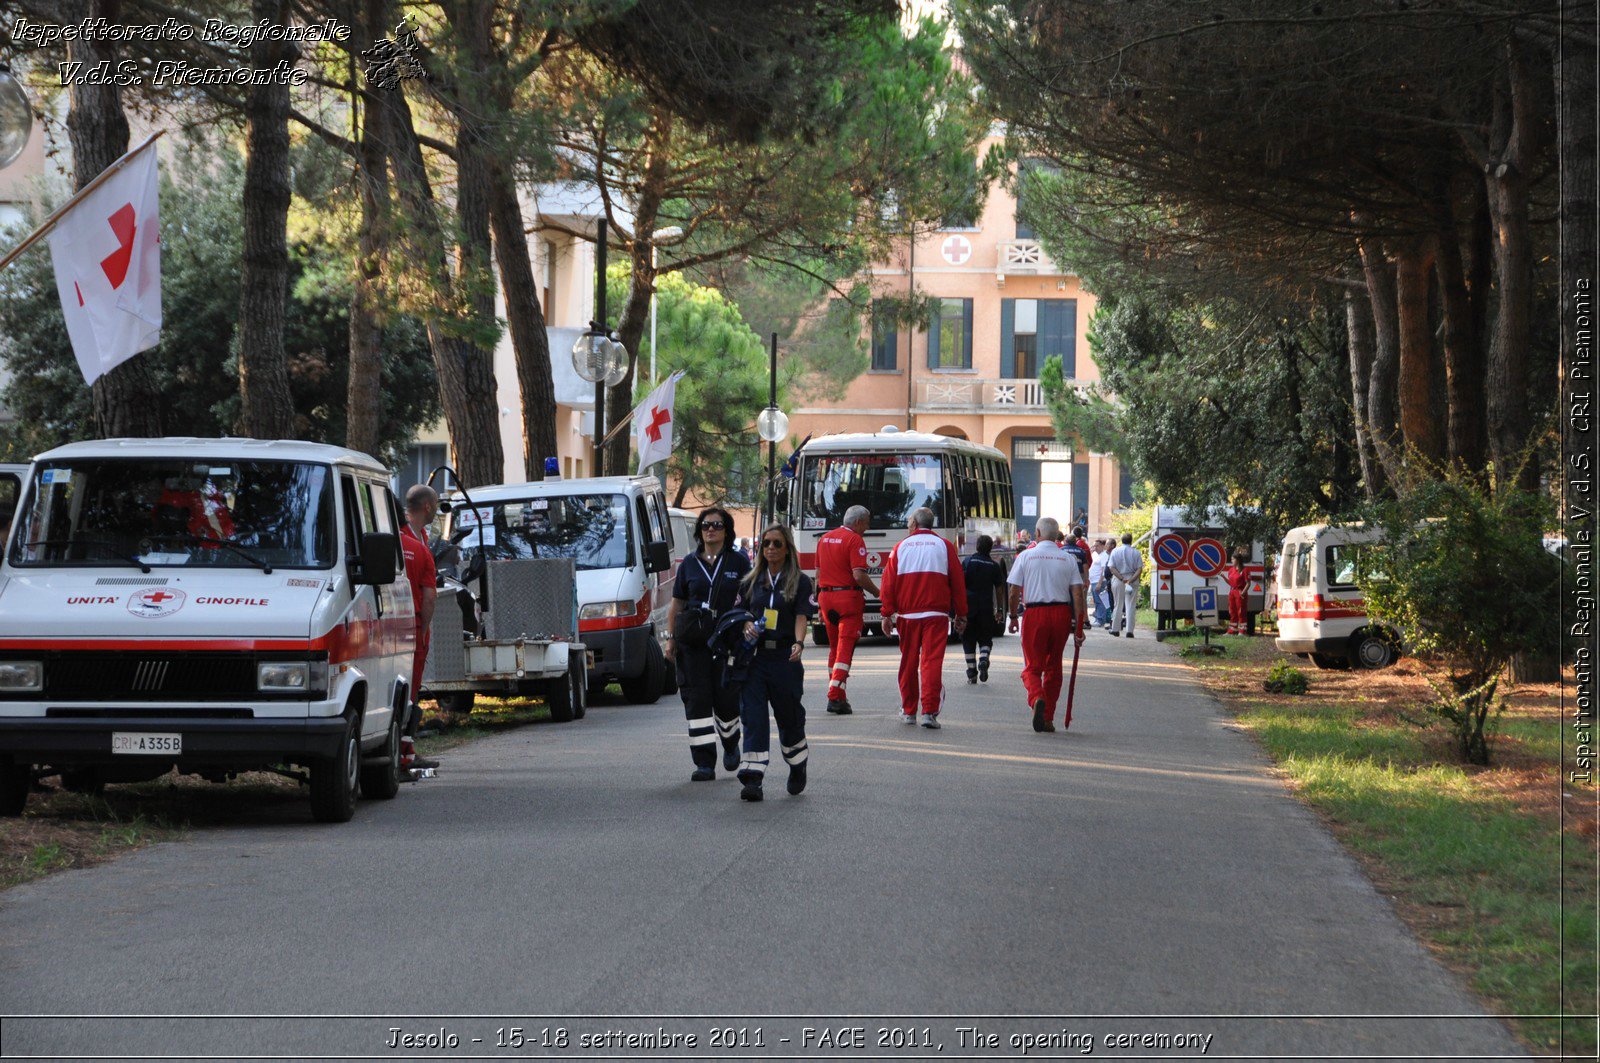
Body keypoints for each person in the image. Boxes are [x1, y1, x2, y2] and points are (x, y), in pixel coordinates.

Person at [665, 506, 750, 780]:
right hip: (693, 643)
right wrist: (670, 639)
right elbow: (677, 603)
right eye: (705, 525)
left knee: (726, 699)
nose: (710, 529)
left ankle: (730, 741)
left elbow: (750, 599)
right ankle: (704, 763)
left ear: (727, 530)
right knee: (697, 701)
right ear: (699, 531)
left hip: (727, 642)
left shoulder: (739, 562)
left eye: (716, 525)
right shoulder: (689, 564)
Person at [734, 524, 815, 801]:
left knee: (789, 719)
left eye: (776, 543)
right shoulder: (751, 580)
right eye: (766, 543)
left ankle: (797, 763)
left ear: (787, 548)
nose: (770, 548)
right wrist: (746, 623)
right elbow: (741, 611)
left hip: (784, 659)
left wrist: (799, 643)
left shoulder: (801, 582)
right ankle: (752, 779)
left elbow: (802, 616)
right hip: (756, 659)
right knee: (753, 718)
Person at [879, 507, 966, 728]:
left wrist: (887, 614)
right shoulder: (944, 546)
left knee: (908, 661)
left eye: (909, 521)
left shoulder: (900, 547)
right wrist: (961, 614)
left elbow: (888, 585)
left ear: (915, 524)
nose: (907, 525)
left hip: (908, 615)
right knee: (931, 662)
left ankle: (909, 711)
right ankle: (929, 712)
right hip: (936, 614)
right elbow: (957, 582)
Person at [1006, 517, 1088, 732]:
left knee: (1032, 667)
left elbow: (1014, 590)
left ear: (1037, 533)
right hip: (1061, 614)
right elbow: (1078, 594)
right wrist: (1079, 626)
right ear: (1056, 534)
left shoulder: (1025, 556)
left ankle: (1037, 698)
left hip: (1035, 614)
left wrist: (1013, 616)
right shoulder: (1067, 559)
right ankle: (1048, 718)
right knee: (1054, 667)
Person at [815, 505, 879, 714]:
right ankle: (834, 695)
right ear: (858, 522)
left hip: (826, 597)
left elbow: (818, 573)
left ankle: (840, 697)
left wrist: (819, 602)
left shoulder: (824, 538)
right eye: (867, 522)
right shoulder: (854, 540)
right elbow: (859, 575)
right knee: (845, 649)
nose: (868, 527)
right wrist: (879, 593)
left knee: (834, 648)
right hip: (848, 599)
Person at [401, 485, 440, 770]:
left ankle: (406, 750)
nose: (438, 509)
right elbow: (429, 595)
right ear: (427, 506)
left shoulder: (412, 537)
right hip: (412, 624)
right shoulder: (415, 547)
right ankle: (404, 754)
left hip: (395, 622)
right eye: (436, 503)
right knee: (409, 691)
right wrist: (424, 630)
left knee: (405, 691)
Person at [960, 535, 1007, 683]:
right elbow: (999, 590)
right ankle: (984, 658)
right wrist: (999, 609)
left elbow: (960, 585)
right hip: (986, 608)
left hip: (969, 608)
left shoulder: (967, 562)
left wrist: (957, 609)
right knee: (985, 637)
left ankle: (972, 673)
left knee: (968, 639)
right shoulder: (994, 566)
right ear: (990, 548)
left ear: (976, 546)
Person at [1108, 532, 1144, 638]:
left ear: (1121, 540)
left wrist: (1122, 578)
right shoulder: (1136, 552)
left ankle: (1115, 629)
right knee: (1131, 605)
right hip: (1132, 580)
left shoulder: (1115, 551)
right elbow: (1139, 569)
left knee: (1118, 604)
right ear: (1131, 540)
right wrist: (1131, 580)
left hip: (1119, 579)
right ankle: (1129, 631)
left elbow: (1111, 568)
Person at [1225, 548, 1252, 635]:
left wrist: (1243, 592)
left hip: (1240, 592)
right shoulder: (1231, 570)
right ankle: (1232, 630)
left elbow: (1248, 583)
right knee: (1232, 611)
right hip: (1232, 592)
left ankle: (1242, 631)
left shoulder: (1245, 570)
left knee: (1241, 611)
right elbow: (1231, 583)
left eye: (1233, 559)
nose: (1231, 560)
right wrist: (1223, 577)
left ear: (1238, 560)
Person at [1087, 539, 1111, 630]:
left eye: (1097, 546)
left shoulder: (1104, 555)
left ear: (1102, 546)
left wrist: (1100, 583)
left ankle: (1100, 619)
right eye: (1094, 546)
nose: (1095, 547)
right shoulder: (1096, 555)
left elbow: (1103, 570)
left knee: (1099, 601)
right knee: (1096, 601)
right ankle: (1098, 617)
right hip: (1093, 581)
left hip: (1098, 581)